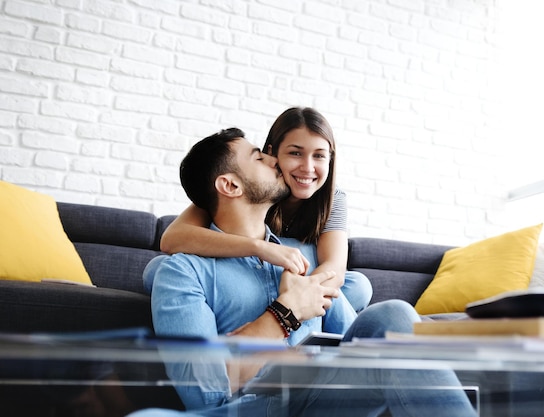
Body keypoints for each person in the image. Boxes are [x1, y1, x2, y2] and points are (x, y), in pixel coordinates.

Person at [128, 128, 476, 417]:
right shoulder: (184, 272)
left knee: (394, 313)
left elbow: (348, 340)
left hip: (320, 398)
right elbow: (205, 395)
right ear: (231, 186)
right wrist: (285, 314)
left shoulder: (304, 259)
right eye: (257, 157)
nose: (272, 159)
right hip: (251, 408)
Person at [149, 107, 372, 312]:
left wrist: (300, 291)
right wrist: (261, 248)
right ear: (272, 153)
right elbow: (171, 239)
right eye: (295, 153)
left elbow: (334, 267)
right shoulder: (254, 188)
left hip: (300, 278)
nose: (308, 167)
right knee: (159, 268)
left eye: (319, 155)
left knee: (358, 285)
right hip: (242, 273)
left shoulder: (332, 199)